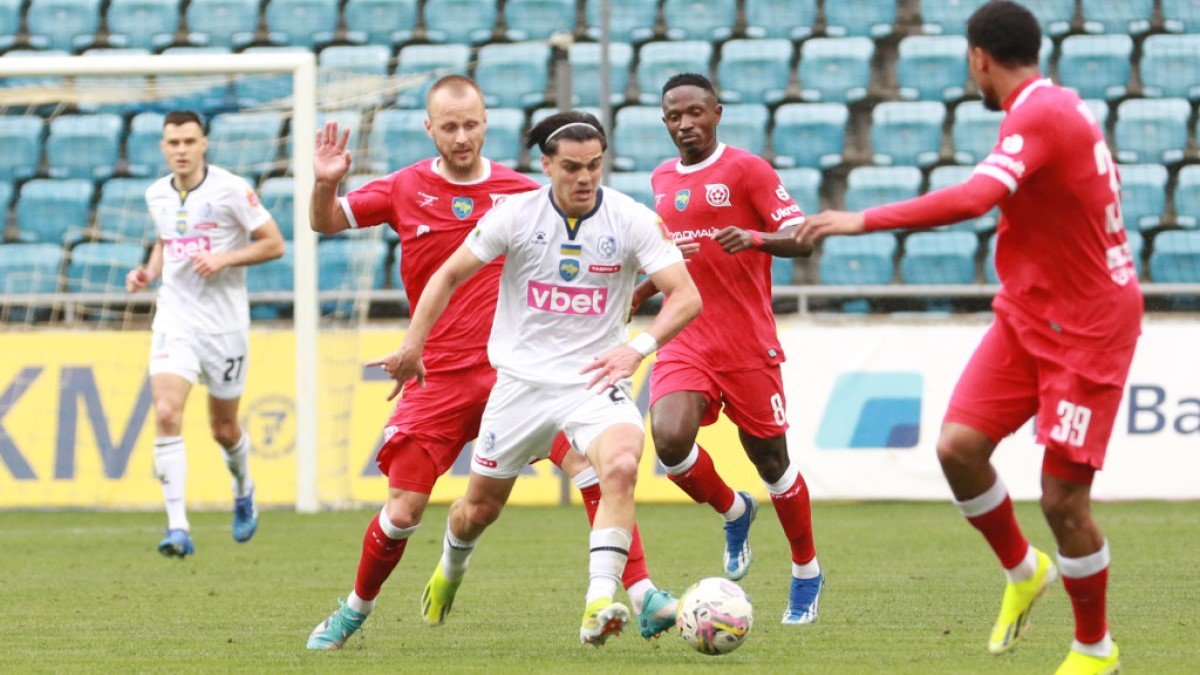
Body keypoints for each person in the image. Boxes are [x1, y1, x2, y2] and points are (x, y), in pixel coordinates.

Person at [795, 3, 1140, 673]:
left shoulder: (1043, 112)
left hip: (1089, 326)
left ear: (979, 58)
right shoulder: (1051, 107)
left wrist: (860, 219)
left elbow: (977, 197)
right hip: (1031, 310)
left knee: (1063, 500)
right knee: (958, 448)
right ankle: (1024, 570)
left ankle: (1095, 648)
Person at [306, 79, 681, 650]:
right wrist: (324, 185)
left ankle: (639, 592)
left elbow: (589, 265)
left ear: (486, 123)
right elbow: (327, 222)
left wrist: (644, 282)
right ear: (430, 129)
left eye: (471, 124)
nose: (462, 137)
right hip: (437, 374)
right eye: (449, 127)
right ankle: (356, 608)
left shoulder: (526, 193)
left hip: (526, 373)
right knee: (405, 511)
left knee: (603, 468)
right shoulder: (406, 187)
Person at [631, 72, 824, 625]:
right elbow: (672, 256)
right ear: (664, 122)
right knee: (670, 442)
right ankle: (733, 509)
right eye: (674, 116)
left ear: (717, 113)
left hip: (746, 344)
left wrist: (756, 237)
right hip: (685, 335)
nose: (686, 124)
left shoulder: (747, 170)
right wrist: (640, 293)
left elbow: (804, 237)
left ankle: (806, 572)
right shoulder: (662, 178)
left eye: (696, 112)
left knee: (772, 463)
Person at [125, 110, 285, 558]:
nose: (181, 150)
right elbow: (166, 240)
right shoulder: (156, 193)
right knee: (166, 411)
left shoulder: (231, 190)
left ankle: (243, 486)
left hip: (224, 326)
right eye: (173, 143)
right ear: (163, 147)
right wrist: (148, 272)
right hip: (175, 318)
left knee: (223, 428)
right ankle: (177, 526)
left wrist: (224, 259)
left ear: (203, 144)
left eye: (189, 142)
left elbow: (274, 243)